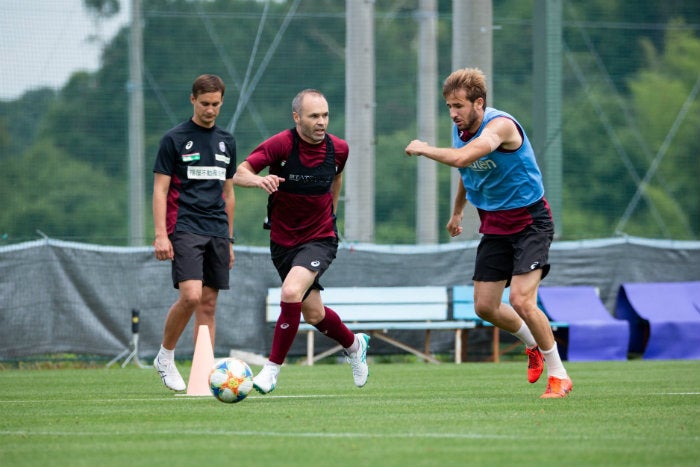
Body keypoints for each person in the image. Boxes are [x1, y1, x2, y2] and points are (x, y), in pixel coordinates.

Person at [405, 68, 573, 399]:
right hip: (495, 224)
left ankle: (559, 376)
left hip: (530, 223)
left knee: (521, 299)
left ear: (478, 103)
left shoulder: (501, 126)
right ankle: (532, 346)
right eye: (449, 107)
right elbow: (466, 170)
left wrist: (424, 148)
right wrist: (457, 211)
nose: (453, 114)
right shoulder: (461, 129)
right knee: (484, 306)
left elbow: (463, 158)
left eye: (458, 106)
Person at [233, 89, 369, 394]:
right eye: (314, 116)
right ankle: (354, 344)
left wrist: (330, 215)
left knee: (291, 290)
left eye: (325, 115)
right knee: (314, 314)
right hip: (283, 241)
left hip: (320, 238)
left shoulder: (340, 149)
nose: (321, 122)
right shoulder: (281, 144)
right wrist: (258, 180)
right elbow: (239, 173)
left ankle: (271, 370)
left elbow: (336, 178)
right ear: (297, 118)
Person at [152, 74, 237, 392]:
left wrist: (229, 239)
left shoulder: (227, 141)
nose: (210, 110)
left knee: (209, 304)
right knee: (190, 295)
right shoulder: (173, 139)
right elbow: (160, 191)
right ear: (192, 100)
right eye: (205, 104)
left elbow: (229, 194)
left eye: (216, 104)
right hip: (185, 226)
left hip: (217, 229)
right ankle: (165, 356)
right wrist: (161, 234)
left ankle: (204, 378)